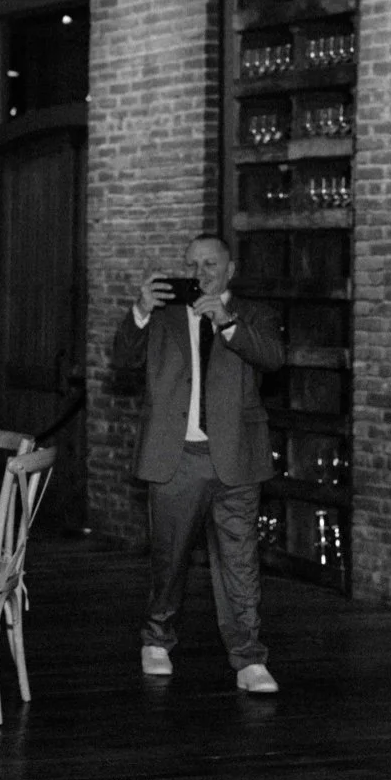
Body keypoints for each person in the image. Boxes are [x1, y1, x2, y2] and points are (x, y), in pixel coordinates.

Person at [113, 235, 284, 694]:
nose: (202, 272)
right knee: (169, 558)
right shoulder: (165, 317)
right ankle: (156, 640)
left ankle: (249, 658)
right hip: (176, 455)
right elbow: (122, 358)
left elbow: (273, 358)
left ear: (231, 270)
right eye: (193, 264)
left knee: (240, 561)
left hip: (237, 458)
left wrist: (226, 323)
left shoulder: (254, 315)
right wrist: (141, 310)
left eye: (211, 264)